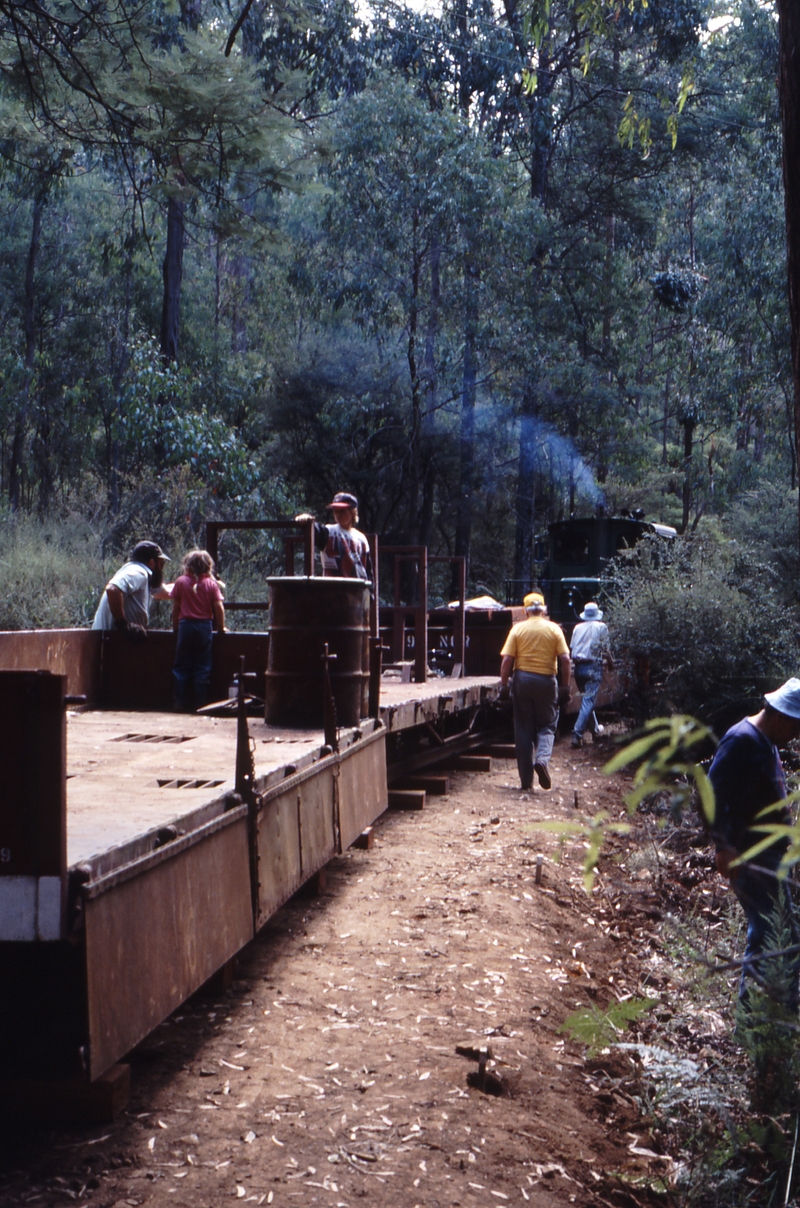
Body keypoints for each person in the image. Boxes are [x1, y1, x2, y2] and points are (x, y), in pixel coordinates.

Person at [709, 679, 800, 1009]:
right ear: (779, 716)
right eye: (795, 727)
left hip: (768, 856)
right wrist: (722, 846)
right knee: (767, 936)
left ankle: (781, 1013)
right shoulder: (742, 740)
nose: (796, 736)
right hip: (751, 856)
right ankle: (752, 1022)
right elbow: (712, 795)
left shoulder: (764, 739)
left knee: (782, 933)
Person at [499, 591, 571, 791]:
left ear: (525, 611)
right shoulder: (554, 629)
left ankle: (525, 782)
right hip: (547, 681)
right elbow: (565, 659)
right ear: (544, 609)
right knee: (548, 725)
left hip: (522, 680)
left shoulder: (517, 629)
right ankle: (542, 760)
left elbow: (507, 660)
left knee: (523, 729)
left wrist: (504, 686)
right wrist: (565, 686)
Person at [171, 549, 226, 712]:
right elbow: (218, 607)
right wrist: (221, 627)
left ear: (187, 566)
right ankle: (200, 703)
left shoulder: (181, 582)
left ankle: (180, 702)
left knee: (181, 664)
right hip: (204, 626)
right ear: (208, 566)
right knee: (202, 665)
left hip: (185, 626)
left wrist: (175, 627)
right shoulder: (211, 584)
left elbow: (176, 607)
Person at [92, 541, 171, 637]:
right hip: (110, 642)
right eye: (161, 563)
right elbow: (112, 589)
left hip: (110, 640)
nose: (162, 568)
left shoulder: (139, 575)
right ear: (151, 563)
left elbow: (166, 590)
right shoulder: (139, 572)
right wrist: (123, 624)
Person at [295, 493, 373, 580]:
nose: (338, 515)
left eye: (342, 511)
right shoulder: (329, 532)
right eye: (336, 511)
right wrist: (307, 521)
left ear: (352, 512)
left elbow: (368, 570)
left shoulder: (361, 538)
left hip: (356, 589)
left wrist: (370, 593)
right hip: (332, 588)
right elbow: (316, 531)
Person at [569, 601, 614, 748]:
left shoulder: (577, 627)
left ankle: (595, 731)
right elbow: (606, 649)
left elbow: (572, 647)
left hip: (578, 667)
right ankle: (576, 734)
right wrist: (611, 662)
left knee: (586, 701)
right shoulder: (601, 627)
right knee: (588, 701)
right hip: (592, 666)